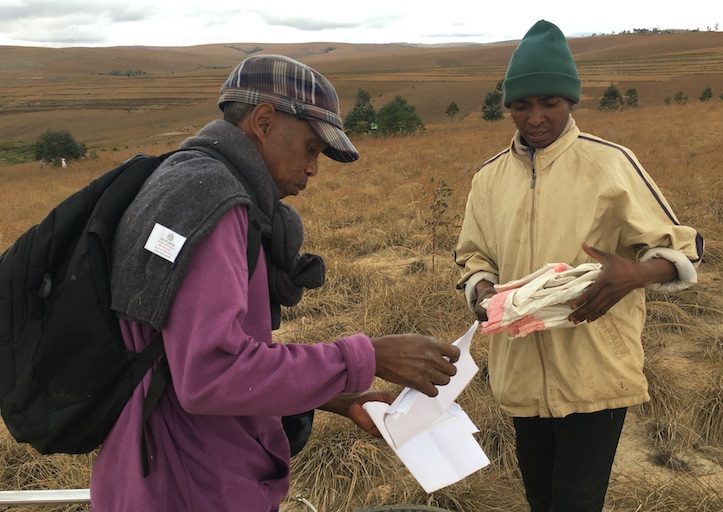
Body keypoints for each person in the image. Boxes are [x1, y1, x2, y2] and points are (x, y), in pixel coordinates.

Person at [90, 54, 460, 512]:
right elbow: (209, 374)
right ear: (264, 121)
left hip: (161, 473)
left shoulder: (184, 184)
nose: (313, 168)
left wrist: (338, 397)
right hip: (191, 488)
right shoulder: (215, 205)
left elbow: (180, 357)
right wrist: (369, 355)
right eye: (309, 148)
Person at [454, 20, 703, 512]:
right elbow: (473, 256)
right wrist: (484, 290)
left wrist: (635, 274)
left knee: (577, 501)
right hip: (520, 369)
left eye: (550, 102)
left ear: (571, 102)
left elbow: (684, 247)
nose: (536, 117)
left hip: (596, 370)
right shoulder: (488, 178)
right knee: (540, 496)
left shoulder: (610, 164)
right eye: (522, 105)